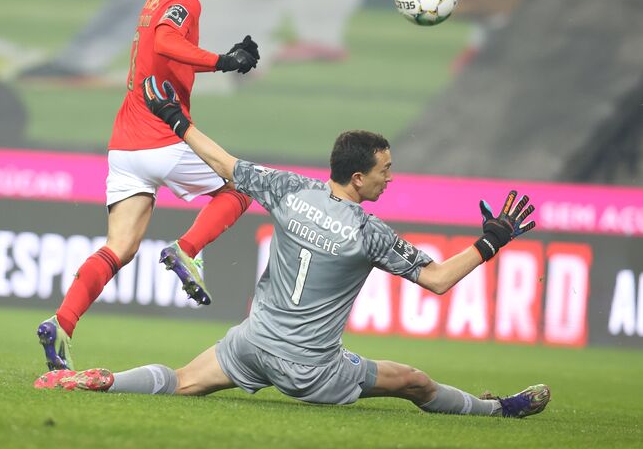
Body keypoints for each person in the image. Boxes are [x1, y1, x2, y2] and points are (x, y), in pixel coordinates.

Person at [34, 75, 551, 419]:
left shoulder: (288, 190)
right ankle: (498, 411)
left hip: (253, 344)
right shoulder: (370, 233)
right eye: (385, 170)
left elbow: (226, 165)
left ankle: (101, 381)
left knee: (181, 380)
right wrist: (491, 241)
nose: (390, 178)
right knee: (414, 382)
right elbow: (437, 280)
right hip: (312, 368)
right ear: (358, 176)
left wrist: (176, 120)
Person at [36, 0, 260, 371]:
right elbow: (165, 42)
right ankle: (187, 250)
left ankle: (62, 323)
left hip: (125, 147)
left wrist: (220, 61)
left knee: (118, 248)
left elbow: (162, 47)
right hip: (161, 136)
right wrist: (223, 61)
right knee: (241, 187)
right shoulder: (181, 2)